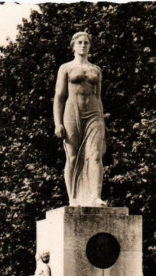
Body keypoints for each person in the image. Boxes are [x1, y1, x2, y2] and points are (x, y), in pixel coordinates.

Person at [53, 31, 107, 207]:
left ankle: (95, 196)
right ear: (73, 46)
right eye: (80, 42)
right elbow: (59, 96)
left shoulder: (96, 70)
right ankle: (73, 197)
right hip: (72, 112)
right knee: (73, 157)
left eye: (86, 43)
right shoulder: (66, 68)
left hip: (93, 114)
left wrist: (103, 123)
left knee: (96, 156)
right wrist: (57, 123)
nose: (83, 45)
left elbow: (98, 97)